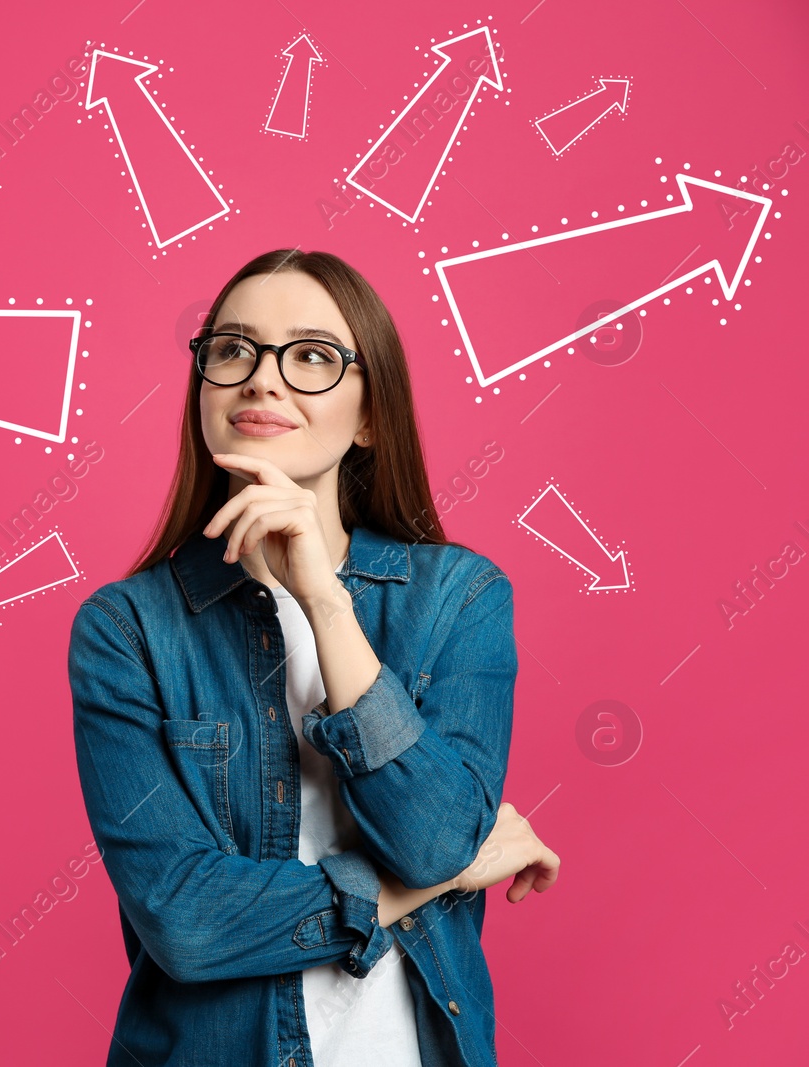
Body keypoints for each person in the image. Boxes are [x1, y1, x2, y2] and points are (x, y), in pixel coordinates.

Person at [67, 249, 561, 1067]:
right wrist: (428, 885)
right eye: (233, 349)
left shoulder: (460, 597)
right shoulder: (127, 628)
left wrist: (323, 599)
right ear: (203, 390)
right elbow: (185, 924)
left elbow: (436, 835)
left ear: (370, 414)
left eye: (312, 356)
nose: (262, 379)